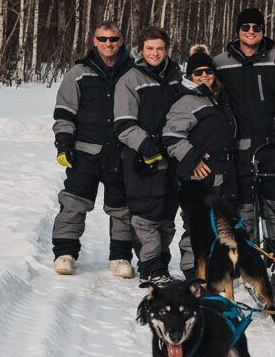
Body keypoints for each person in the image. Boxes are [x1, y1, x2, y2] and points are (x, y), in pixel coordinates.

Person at [51, 19, 135, 278]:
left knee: (121, 207)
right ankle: (65, 253)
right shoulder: (79, 72)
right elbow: (64, 112)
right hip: (85, 151)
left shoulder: (133, 71)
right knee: (74, 202)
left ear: (120, 40)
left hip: (121, 151)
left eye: (113, 39)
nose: (108, 44)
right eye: (102, 39)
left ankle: (120, 256)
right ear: (94, 41)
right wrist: (64, 143)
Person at [214, 7, 275, 245]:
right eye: (245, 27)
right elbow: (209, 100)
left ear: (263, 31)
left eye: (256, 27)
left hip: (273, 147)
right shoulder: (220, 63)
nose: (251, 32)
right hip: (239, 149)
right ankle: (247, 261)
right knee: (245, 211)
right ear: (238, 31)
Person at [113, 26, 182, 280]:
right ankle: (151, 268)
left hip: (172, 157)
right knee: (145, 218)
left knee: (166, 217)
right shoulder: (130, 80)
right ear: (141, 50)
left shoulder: (176, 76)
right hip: (143, 158)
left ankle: (160, 265)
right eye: (150, 48)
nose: (155, 53)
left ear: (167, 50)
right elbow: (123, 123)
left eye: (160, 48)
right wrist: (146, 145)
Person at [163, 45, 237, 278]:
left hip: (222, 171)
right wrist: (193, 158)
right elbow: (171, 136)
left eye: (208, 71)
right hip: (199, 175)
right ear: (189, 76)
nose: (204, 75)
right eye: (198, 72)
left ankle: (215, 270)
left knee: (219, 223)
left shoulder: (218, 98)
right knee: (196, 224)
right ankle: (192, 270)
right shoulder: (187, 101)